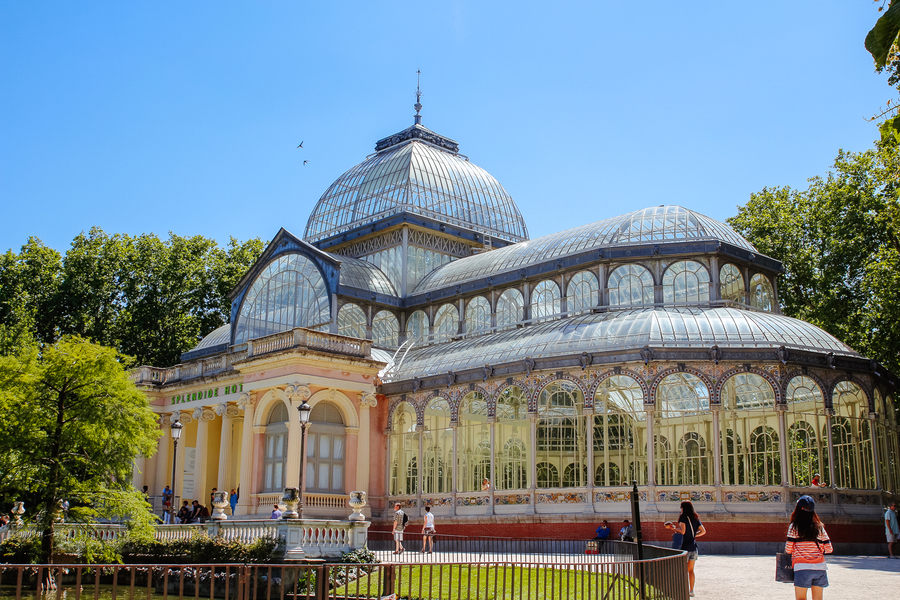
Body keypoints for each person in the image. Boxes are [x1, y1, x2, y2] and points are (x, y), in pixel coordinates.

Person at [785, 495, 833, 600]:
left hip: (802, 568)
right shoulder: (819, 527)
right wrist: (818, 549)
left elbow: (788, 549)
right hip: (820, 567)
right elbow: (829, 549)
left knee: (801, 598)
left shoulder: (794, 527)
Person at [664, 501, 706, 597]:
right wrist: (694, 535)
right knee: (691, 570)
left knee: (682, 570)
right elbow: (703, 531)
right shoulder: (696, 517)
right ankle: (691, 590)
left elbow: (682, 531)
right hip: (693, 547)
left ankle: (681, 589)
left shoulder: (683, 517)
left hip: (685, 547)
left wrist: (673, 528)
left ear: (683, 508)